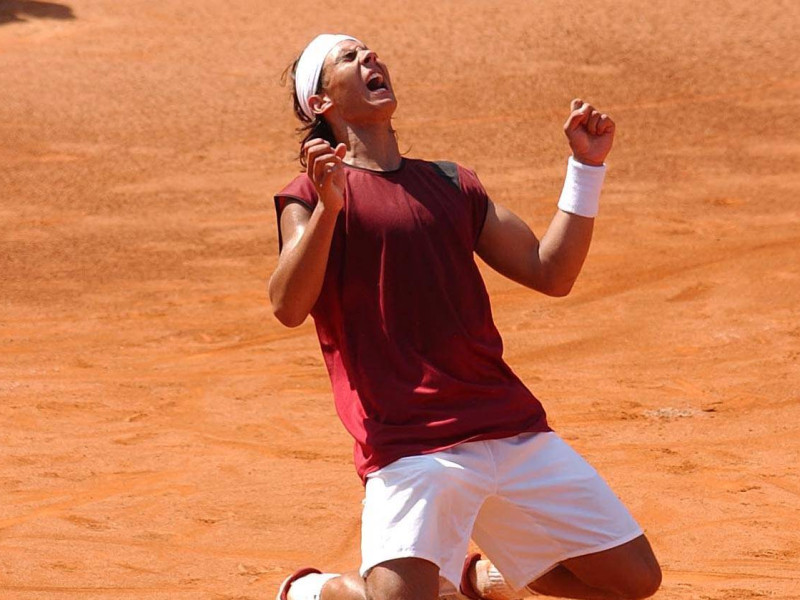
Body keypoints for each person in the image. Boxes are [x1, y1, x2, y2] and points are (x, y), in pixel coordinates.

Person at [269, 33, 662, 600]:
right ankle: (316, 590)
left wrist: (585, 168)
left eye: (371, 52)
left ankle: (479, 578)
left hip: (510, 426)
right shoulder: (309, 194)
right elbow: (288, 305)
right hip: (410, 444)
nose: (370, 59)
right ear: (321, 102)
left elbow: (551, 272)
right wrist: (330, 208)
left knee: (634, 580)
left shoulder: (451, 182)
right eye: (349, 58)